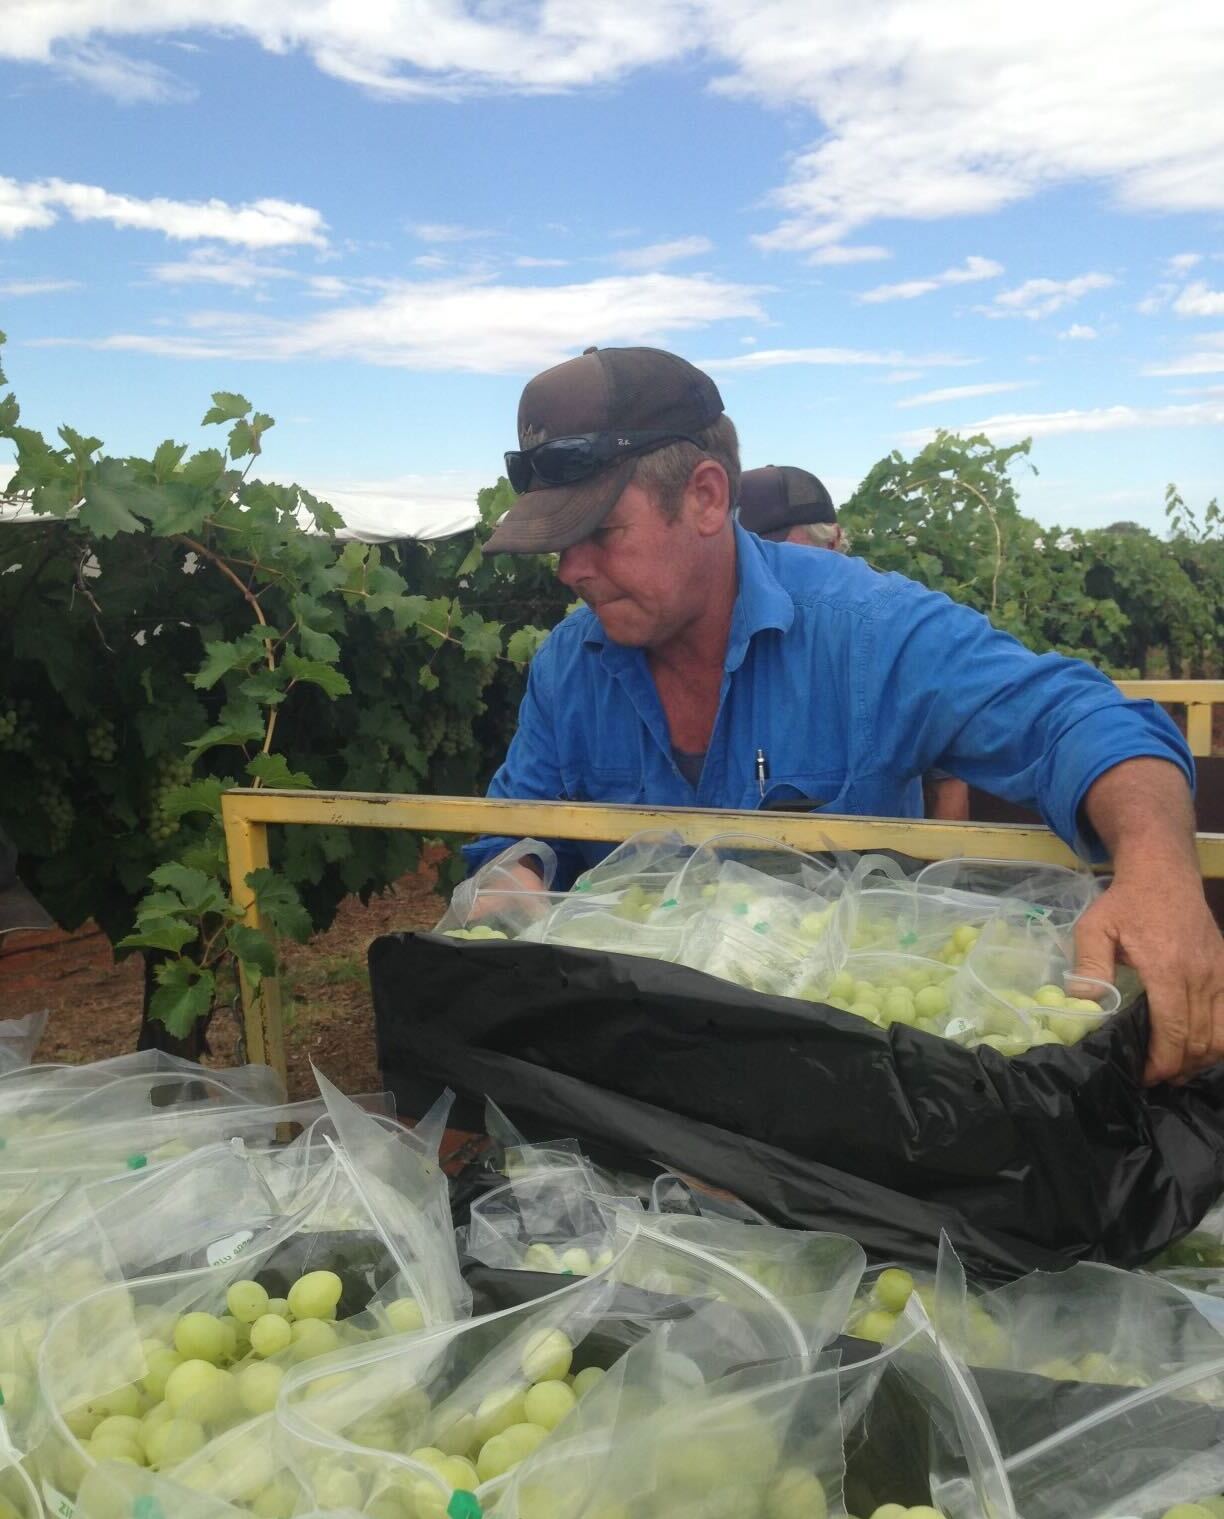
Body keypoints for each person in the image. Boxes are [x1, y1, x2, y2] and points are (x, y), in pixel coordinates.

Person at [470, 344, 1224, 1084]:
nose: (572, 571)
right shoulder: (571, 663)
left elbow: (1080, 718)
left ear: (703, 497)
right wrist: (516, 878)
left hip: (842, 1093)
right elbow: (515, 831)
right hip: (642, 1074)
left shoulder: (868, 631)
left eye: (599, 532)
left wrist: (1160, 873)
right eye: (562, 544)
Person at [739, 463, 971, 822]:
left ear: (834, 541)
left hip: (879, 875)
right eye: (757, 560)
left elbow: (949, 784)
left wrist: (942, 876)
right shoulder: (734, 646)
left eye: (793, 556)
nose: (774, 574)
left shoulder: (885, 634)